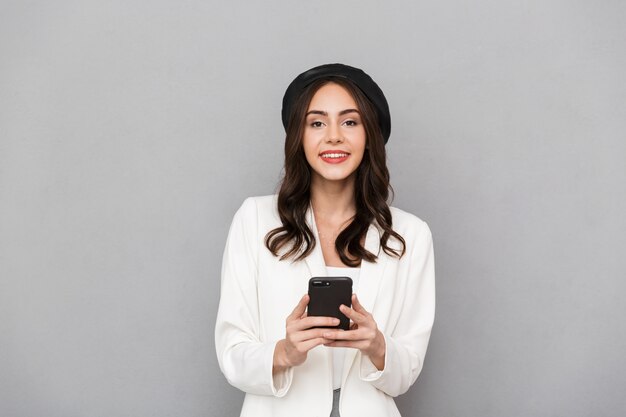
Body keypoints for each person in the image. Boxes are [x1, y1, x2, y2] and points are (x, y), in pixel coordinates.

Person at [215, 63, 435, 417]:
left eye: (350, 122)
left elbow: (405, 372)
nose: (334, 136)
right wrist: (285, 351)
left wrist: (377, 345)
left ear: (370, 135)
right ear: (298, 137)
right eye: (317, 122)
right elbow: (232, 354)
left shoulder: (410, 235)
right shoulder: (254, 220)